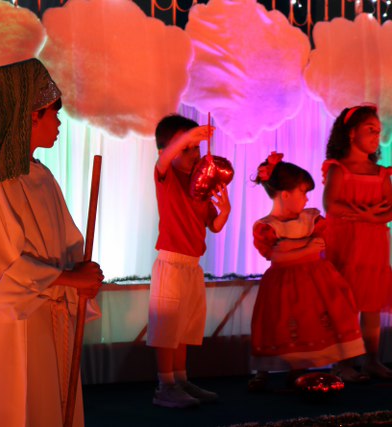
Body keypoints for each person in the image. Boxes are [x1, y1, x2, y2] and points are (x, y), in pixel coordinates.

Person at [0, 58, 104, 427]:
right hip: (20, 321)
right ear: (30, 116)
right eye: (54, 113)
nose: (59, 123)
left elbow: (67, 244)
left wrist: (82, 273)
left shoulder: (42, 176)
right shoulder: (0, 184)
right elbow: (9, 268)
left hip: (51, 317)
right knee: (21, 406)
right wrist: (71, 278)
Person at [249, 152, 364, 391]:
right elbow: (275, 254)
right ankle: (265, 370)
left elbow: (318, 244)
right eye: (303, 192)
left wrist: (291, 246)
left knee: (315, 319)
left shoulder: (310, 218)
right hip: (283, 282)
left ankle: (310, 367)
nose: (306, 198)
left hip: (315, 279)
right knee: (278, 322)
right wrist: (305, 247)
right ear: (285, 194)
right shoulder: (267, 226)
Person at [148, 114, 231, 408]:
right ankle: (165, 385)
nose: (194, 153)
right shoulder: (167, 177)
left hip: (192, 264)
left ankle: (180, 380)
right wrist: (186, 138)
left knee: (183, 326)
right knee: (166, 328)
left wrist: (224, 211)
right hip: (171, 263)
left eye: (196, 148)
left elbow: (214, 225)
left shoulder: (200, 184)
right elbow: (163, 159)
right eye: (186, 148)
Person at [323, 104, 392, 380]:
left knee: (372, 302)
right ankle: (344, 362)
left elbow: (390, 208)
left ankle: (372, 359)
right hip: (346, 244)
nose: (376, 135)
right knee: (346, 303)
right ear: (352, 133)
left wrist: (374, 217)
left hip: (373, 244)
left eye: (378, 130)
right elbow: (330, 204)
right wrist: (361, 214)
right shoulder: (339, 169)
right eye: (370, 129)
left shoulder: (380, 173)